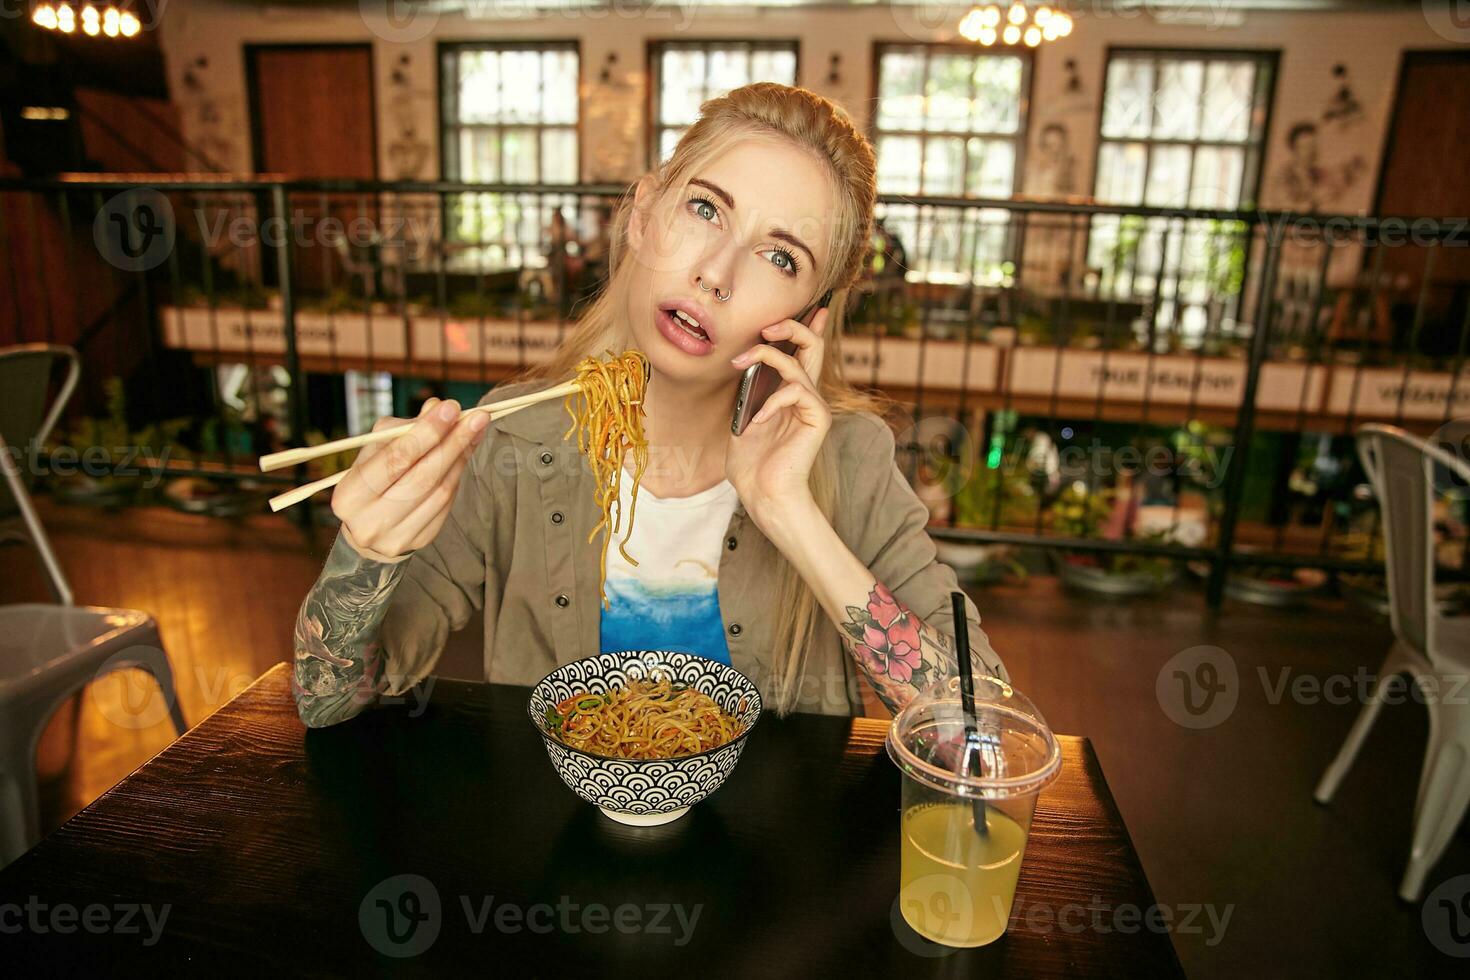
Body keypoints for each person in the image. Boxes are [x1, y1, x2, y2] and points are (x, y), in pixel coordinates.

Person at [291, 83, 1006, 728]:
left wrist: (789, 509)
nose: (715, 275)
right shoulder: (512, 435)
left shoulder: (849, 454)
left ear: (810, 317)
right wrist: (368, 555)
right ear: (642, 215)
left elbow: (979, 735)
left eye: (780, 257)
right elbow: (327, 700)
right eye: (705, 210)